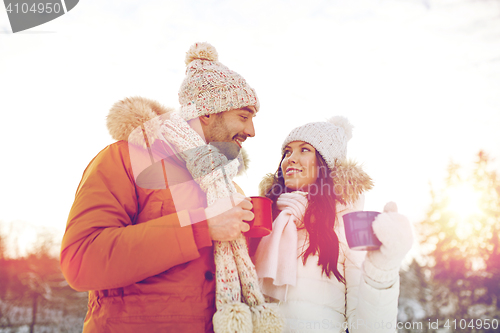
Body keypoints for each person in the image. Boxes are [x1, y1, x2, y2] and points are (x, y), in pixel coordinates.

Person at [60, 42, 270, 333]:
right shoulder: (127, 157)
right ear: (208, 113)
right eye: (244, 116)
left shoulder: (227, 184)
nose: (251, 131)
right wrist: (201, 226)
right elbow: (82, 261)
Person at [253, 116, 414, 333]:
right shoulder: (265, 216)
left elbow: (370, 327)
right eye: (287, 152)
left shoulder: (347, 224)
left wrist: (382, 267)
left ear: (325, 163)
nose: (291, 158)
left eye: (304, 150)